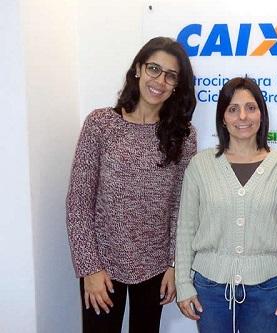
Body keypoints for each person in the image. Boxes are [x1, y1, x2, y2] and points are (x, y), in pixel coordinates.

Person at [66, 37, 197, 333]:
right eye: (154, 69)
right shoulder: (100, 125)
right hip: (102, 265)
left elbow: (182, 206)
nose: (160, 81)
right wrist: (89, 268)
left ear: (177, 85)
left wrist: (175, 264)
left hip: (156, 266)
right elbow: (78, 202)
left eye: (170, 75)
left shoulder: (184, 135)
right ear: (138, 69)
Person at [175, 77, 277, 333]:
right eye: (233, 109)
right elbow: (186, 227)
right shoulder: (201, 166)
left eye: (250, 107)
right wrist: (182, 282)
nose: (242, 116)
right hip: (209, 289)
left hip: (267, 289)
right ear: (222, 118)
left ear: (261, 113)